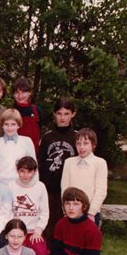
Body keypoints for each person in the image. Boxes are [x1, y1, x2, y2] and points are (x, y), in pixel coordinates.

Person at [38, 97, 77, 242]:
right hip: (49, 190)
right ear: (54, 114)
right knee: (48, 225)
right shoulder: (47, 137)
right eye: (59, 113)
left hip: (68, 189)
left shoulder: (77, 137)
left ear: (73, 114)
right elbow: (40, 164)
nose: (62, 117)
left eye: (66, 114)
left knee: (66, 226)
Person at [61, 128, 107, 226]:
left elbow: (101, 190)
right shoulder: (69, 162)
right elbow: (64, 187)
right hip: (71, 211)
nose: (81, 147)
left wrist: (91, 213)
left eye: (85, 143)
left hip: (90, 212)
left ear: (93, 145)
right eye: (78, 143)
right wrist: (66, 210)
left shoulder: (100, 163)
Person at [8, 156, 49, 255]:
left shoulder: (40, 186)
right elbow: (8, 211)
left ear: (34, 172)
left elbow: (44, 212)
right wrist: (13, 230)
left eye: (29, 171)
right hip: (17, 231)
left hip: (33, 232)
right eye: (22, 171)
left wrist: (38, 231)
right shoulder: (11, 186)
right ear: (17, 171)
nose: (25, 175)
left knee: (40, 254)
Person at [0, 108, 36, 185]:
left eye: (13, 124)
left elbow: (34, 166)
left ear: (19, 125)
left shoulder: (26, 141)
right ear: (2, 125)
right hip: (0, 184)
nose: (9, 128)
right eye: (6, 124)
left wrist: (33, 185)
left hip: (21, 184)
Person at [12, 77, 42, 153]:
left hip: (34, 152)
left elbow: (40, 131)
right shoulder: (11, 112)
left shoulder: (36, 110)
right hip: (16, 151)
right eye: (17, 93)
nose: (20, 96)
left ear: (30, 92)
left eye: (23, 92)